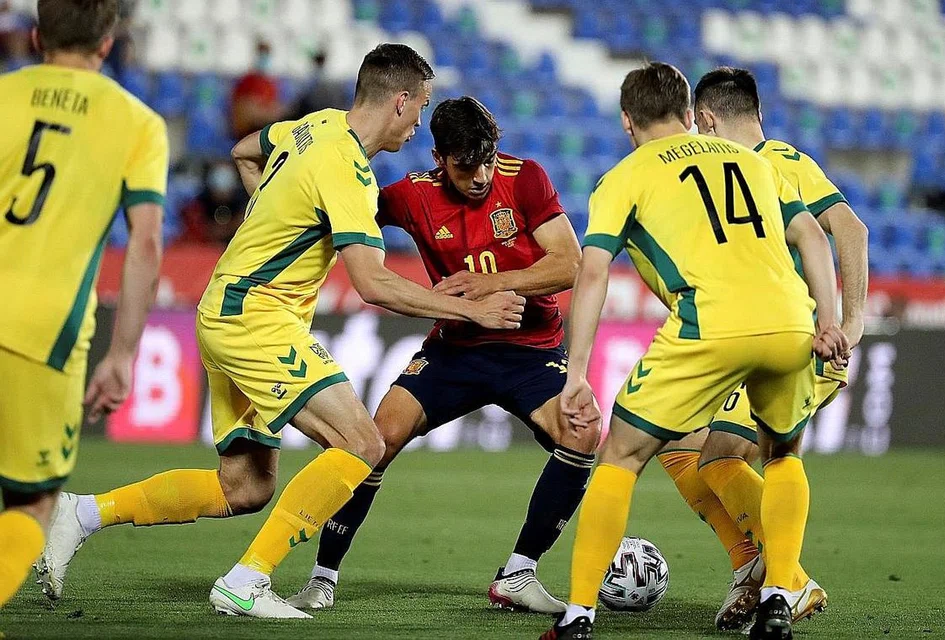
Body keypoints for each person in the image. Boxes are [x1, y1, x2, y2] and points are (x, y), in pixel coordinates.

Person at [38, 44, 526, 619]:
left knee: (244, 487)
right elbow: (370, 282)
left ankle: (82, 513)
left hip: (225, 310)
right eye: (419, 107)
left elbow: (245, 150)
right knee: (362, 443)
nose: (420, 122)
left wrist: (266, 211)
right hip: (255, 316)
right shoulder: (347, 169)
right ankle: (247, 579)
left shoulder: (312, 127)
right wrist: (475, 310)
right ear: (398, 101)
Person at [540, 62, 849, 640]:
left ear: (628, 122)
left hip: (709, 322)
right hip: (790, 322)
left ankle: (578, 615)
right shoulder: (753, 162)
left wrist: (576, 372)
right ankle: (781, 595)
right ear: (689, 115)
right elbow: (812, 233)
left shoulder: (623, 178)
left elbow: (594, 272)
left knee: (622, 456)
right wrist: (829, 321)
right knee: (783, 455)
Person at [286, 97, 598, 614]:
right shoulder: (412, 195)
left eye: (487, 160)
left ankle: (519, 572)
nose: (480, 175)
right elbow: (344, 217)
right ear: (438, 158)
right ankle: (322, 577)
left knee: (583, 433)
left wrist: (490, 283)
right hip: (454, 350)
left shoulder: (525, 178)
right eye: (464, 165)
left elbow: (570, 263)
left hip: (530, 350)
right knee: (376, 438)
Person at [649, 65, 871, 632]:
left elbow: (850, 230)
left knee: (727, 452)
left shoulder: (777, 163)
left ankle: (786, 581)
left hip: (797, 335)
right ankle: (754, 569)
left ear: (706, 120)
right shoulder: (763, 164)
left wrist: (849, 321)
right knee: (681, 440)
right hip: (753, 333)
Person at [0, 0, 166, 608]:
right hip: (44, 334)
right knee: (32, 504)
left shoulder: (4, 97)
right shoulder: (137, 123)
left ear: (38, 35)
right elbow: (145, 241)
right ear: (106, 43)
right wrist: (122, 354)